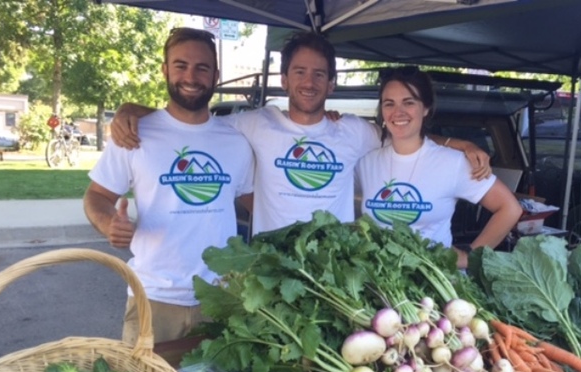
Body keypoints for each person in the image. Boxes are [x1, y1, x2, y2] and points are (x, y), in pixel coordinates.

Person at [111, 31, 492, 237]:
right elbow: (190, 115)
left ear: (331, 83)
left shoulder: (355, 131)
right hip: (270, 266)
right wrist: (136, 112)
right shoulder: (254, 122)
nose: (309, 83)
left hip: (334, 267)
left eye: (319, 74)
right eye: (300, 73)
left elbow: (403, 128)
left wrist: (457, 143)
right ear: (284, 80)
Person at [84, 27, 255, 346]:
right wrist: (110, 223)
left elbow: (257, 203)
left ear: (215, 75)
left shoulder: (236, 141)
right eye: (180, 65)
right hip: (153, 298)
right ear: (165, 69)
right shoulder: (134, 134)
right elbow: (97, 195)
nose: (191, 76)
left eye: (202, 67)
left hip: (220, 298)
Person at [356, 66, 522, 269]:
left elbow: (509, 208)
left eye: (408, 102)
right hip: (381, 280)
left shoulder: (453, 162)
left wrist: (470, 257)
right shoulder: (367, 160)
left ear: (426, 108)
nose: (397, 112)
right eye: (389, 104)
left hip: (434, 285)